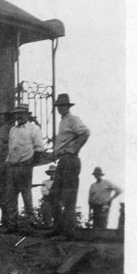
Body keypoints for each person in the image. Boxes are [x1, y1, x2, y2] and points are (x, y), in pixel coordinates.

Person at [47, 94, 90, 238]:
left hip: (70, 161)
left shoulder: (72, 119)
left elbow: (85, 132)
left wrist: (73, 149)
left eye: (63, 106)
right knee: (53, 194)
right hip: (63, 161)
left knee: (68, 198)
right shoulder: (63, 121)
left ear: (68, 107)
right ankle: (59, 228)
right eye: (59, 106)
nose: (61, 108)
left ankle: (67, 233)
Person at [3, 103, 45, 232]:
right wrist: (8, 163)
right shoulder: (13, 130)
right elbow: (10, 149)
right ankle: (12, 225)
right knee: (11, 197)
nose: (18, 116)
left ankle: (29, 224)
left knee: (26, 195)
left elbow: (39, 149)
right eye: (16, 113)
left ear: (27, 115)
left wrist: (31, 165)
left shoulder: (34, 129)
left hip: (25, 166)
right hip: (12, 166)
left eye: (21, 113)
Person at [38, 164, 57, 229]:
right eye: (51, 172)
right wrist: (51, 193)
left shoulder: (59, 182)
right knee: (47, 209)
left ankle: (57, 225)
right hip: (48, 199)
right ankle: (48, 224)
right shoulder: (45, 182)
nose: (53, 174)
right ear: (49, 173)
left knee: (58, 212)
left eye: (54, 172)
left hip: (57, 200)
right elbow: (44, 191)